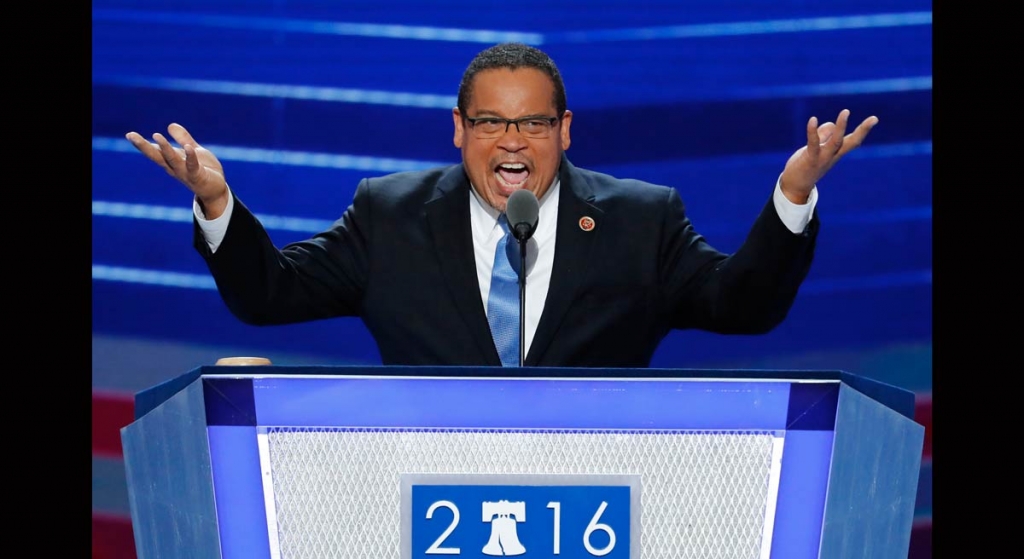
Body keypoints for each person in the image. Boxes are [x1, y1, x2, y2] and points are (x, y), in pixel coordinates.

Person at [124, 42, 878, 368]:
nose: (512, 140)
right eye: (491, 121)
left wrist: (792, 196)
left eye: (534, 122)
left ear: (565, 130)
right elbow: (270, 294)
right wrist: (218, 202)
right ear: (459, 131)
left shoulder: (642, 220)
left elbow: (741, 304)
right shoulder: (390, 216)